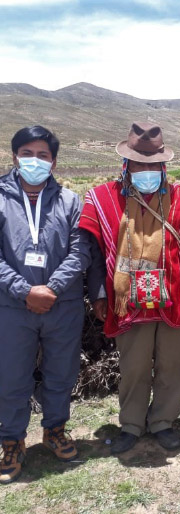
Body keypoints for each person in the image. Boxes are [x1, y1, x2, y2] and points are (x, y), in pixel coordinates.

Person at [80, 122, 180, 454]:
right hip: (129, 301)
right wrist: (98, 293)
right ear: (127, 165)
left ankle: (163, 421)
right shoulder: (104, 199)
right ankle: (132, 424)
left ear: (163, 166)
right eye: (141, 164)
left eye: (154, 165)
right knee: (134, 366)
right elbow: (94, 251)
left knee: (173, 365)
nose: (148, 171)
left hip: (173, 298)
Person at [0, 126, 91, 484]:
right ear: (14, 157)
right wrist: (25, 291)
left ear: (54, 161)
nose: (34, 161)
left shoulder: (71, 201)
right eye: (27, 153)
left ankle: (55, 430)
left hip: (62, 304)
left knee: (61, 373)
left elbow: (80, 250)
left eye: (43, 155)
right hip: (11, 306)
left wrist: (51, 288)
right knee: (11, 376)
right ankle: (11, 440)